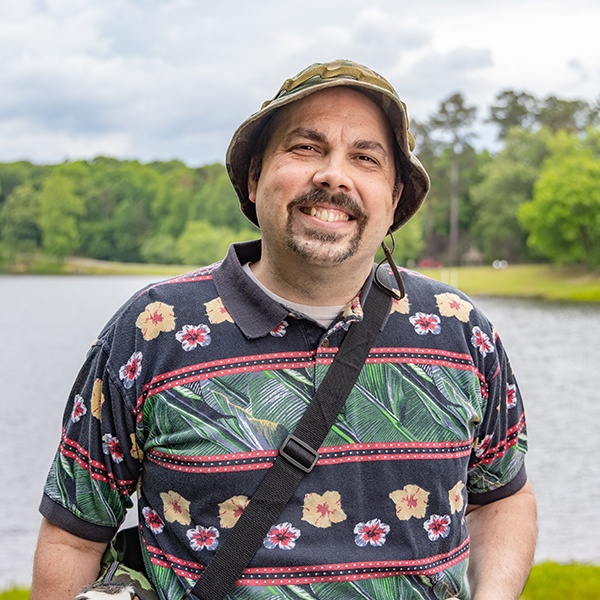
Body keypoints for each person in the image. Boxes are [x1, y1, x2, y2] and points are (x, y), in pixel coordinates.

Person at [32, 59, 537, 600]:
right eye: (306, 148)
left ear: (393, 201)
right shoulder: (153, 329)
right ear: (254, 178)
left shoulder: (460, 330)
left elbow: (502, 498)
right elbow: (74, 538)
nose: (333, 176)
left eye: (365, 158)